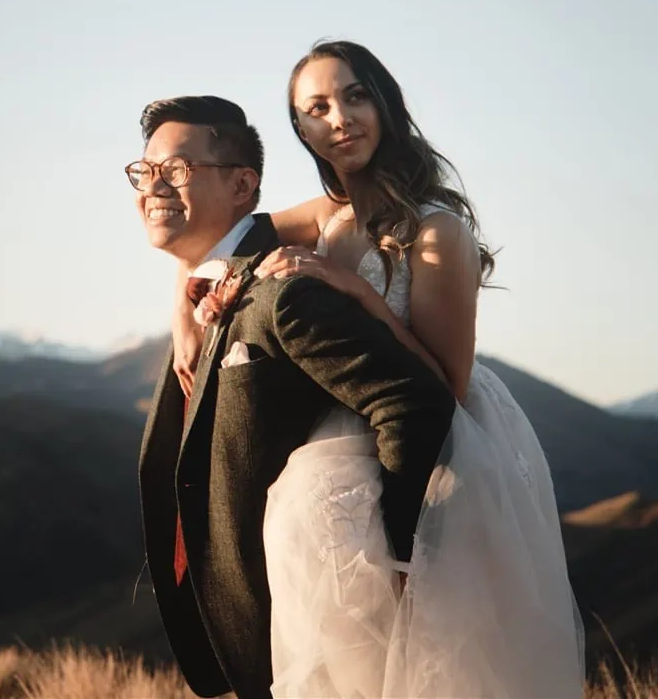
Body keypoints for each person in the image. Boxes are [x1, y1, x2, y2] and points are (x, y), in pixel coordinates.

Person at [246, 40, 585, 697]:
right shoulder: (325, 218)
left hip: (436, 452)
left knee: (434, 656)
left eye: (354, 95)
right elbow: (226, 234)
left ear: (386, 104)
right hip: (341, 442)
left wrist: (363, 297)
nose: (339, 118)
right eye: (316, 107)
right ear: (301, 130)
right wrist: (185, 292)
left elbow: (448, 386)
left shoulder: (437, 230)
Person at [130, 94, 456, 699]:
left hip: (327, 625)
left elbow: (415, 402)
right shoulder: (206, 292)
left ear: (242, 184)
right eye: (143, 171)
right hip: (261, 632)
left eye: (176, 170)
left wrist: (397, 562)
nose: (154, 186)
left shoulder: (285, 293)